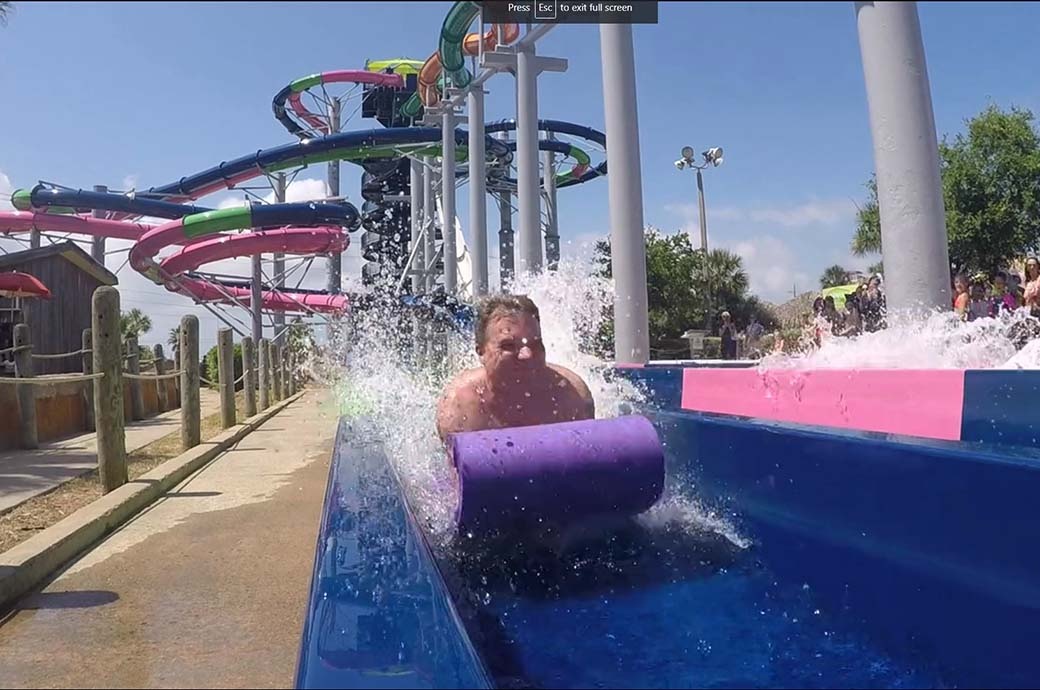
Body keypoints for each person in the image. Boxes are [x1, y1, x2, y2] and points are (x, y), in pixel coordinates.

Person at [435, 294, 595, 443]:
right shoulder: (460, 406)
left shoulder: (572, 396)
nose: (527, 355)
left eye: (535, 344)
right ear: (481, 352)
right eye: (508, 346)